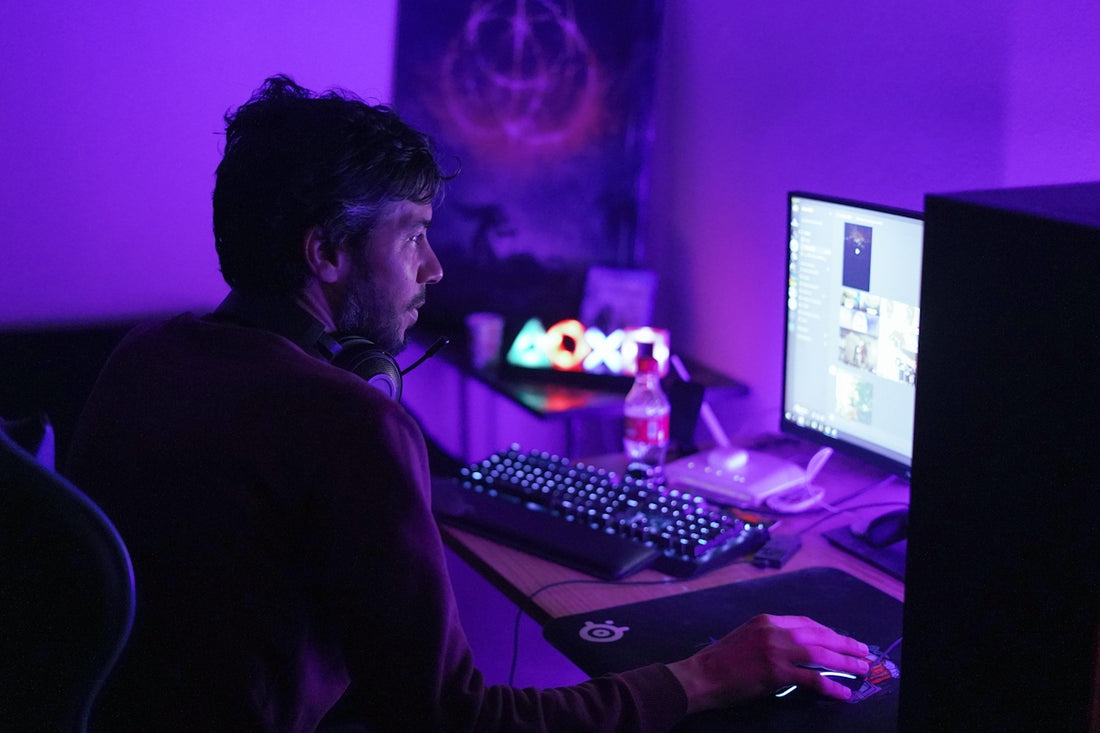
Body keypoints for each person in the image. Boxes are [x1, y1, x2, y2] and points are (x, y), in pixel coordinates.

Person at [66, 75, 869, 732]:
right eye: (412, 234)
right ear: (328, 253)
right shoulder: (349, 422)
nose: (435, 268)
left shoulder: (145, 355)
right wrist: (701, 676)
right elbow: (455, 719)